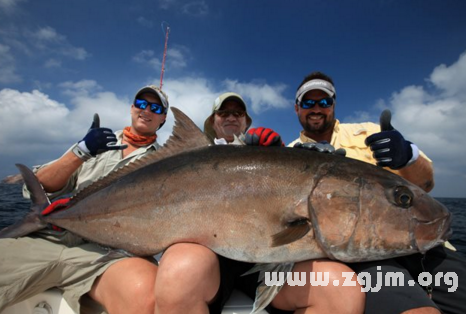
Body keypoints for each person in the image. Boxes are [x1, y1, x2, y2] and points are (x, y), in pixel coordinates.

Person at [154, 92, 365, 314]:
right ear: (212, 121)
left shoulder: (270, 149)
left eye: (238, 113)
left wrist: (282, 154)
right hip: (209, 257)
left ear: (246, 121)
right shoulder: (188, 159)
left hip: (267, 264)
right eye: (223, 112)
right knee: (181, 272)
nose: (231, 117)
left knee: (339, 288)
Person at [289, 71, 466, 314]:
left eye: (325, 101)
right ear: (297, 108)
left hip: (426, 247)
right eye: (308, 102)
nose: (317, 108)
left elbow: (425, 184)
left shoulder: (372, 134)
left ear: (334, 105)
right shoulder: (287, 155)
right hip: (364, 257)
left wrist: (407, 156)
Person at [0, 85, 169, 314]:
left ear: (163, 118)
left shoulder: (168, 163)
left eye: (155, 107)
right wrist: (81, 151)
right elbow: (40, 186)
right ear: (131, 108)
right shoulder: (96, 142)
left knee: (148, 297)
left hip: (109, 255)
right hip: (49, 239)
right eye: (141, 104)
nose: (146, 110)